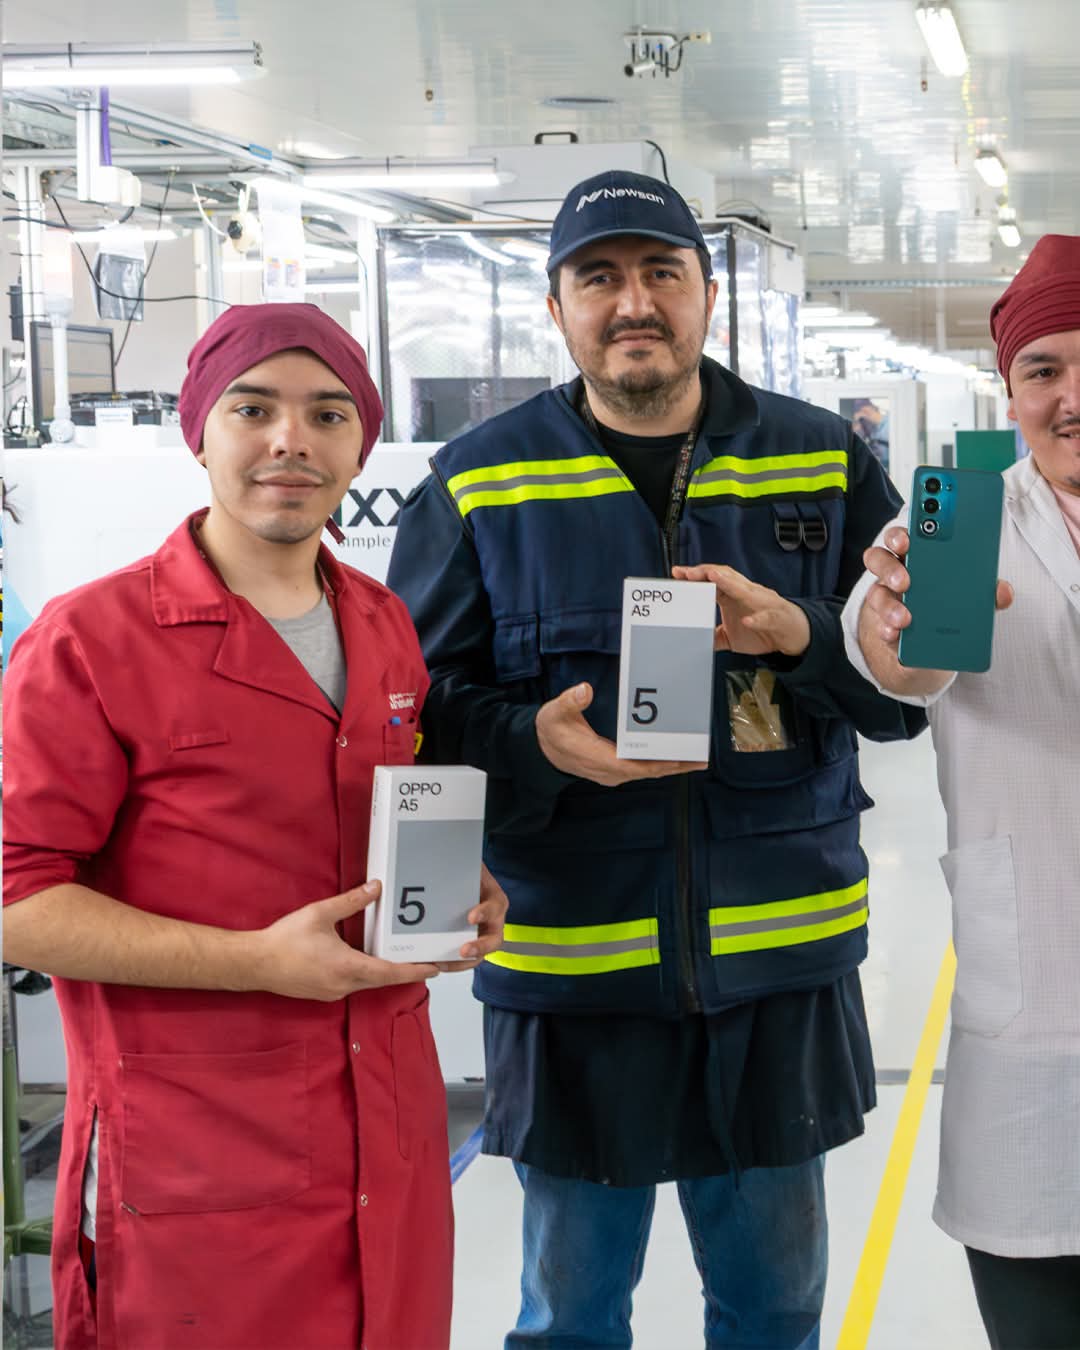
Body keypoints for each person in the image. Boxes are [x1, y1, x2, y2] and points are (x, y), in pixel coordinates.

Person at [387, 170, 925, 1349]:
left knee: (774, 1315)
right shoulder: (480, 481)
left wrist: (800, 635)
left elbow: (907, 699)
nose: (633, 303)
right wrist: (533, 744)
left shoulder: (823, 462)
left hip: (777, 968)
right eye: (599, 278)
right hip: (573, 975)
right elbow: (411, 713)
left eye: (660, 273)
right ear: (557, 307)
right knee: (570, 1320)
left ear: (708, 294)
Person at [2, 303, 508, 1350]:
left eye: (328, 413)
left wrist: (456, 876)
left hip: (388, 1130)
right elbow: (16, 899)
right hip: (193, 1159)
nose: (292, 440)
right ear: (200, 433)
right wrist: (254, 962)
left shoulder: (382, 622)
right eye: (253, 409)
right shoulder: (91, 640)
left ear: (360, 446)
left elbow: (373, 810)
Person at [842, 234, 1080, 1350]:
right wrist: (895, 635)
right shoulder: (954, 526)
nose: (1071, 397)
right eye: (1044, 370)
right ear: (1009, 390)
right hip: (1039, 1002)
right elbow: (897, 658)